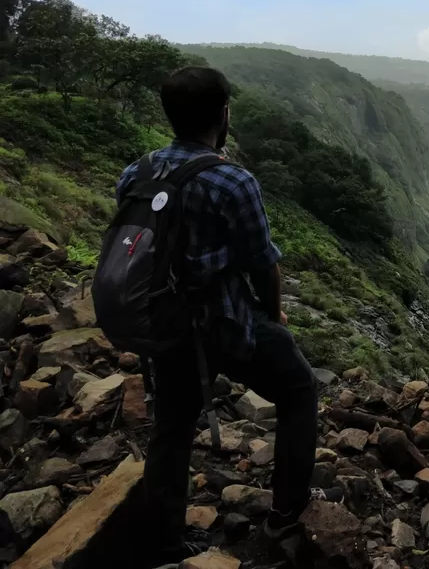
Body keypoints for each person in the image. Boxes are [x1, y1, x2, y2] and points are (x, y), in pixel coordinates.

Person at [114, 67, 334, 563]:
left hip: (165, 324)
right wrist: (274, 315)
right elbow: (262, 262)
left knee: (171, 427)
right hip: (225, 321)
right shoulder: (232, 179)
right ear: (224, 115)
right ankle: (285, 515)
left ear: (169, 116)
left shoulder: (137, 172)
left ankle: (165, 542)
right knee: (299, 390)